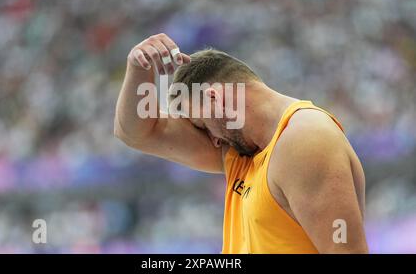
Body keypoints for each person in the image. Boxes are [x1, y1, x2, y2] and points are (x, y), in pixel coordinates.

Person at [114, 33, 368, 253]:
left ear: (213, 97)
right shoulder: (240, 152)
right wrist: (138, 68)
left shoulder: (306, 139)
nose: (211, 139)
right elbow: (136, 133)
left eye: (202, 125)